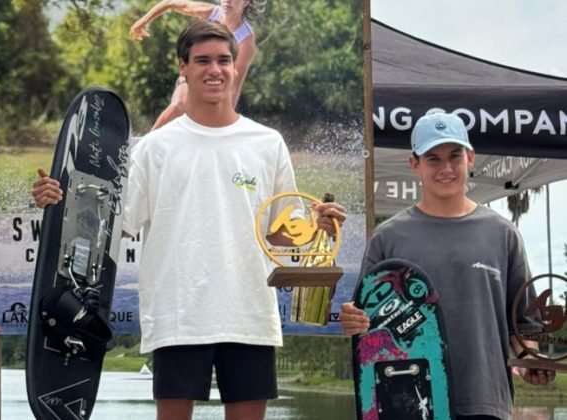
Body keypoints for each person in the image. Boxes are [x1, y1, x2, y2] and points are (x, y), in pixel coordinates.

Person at [33, 21, 346, 420]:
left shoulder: (267, 143)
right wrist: (56, 202)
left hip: (248, 314)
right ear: (183, 67)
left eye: (223, 60)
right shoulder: (154, 148)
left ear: (235, 66)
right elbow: (111, 226)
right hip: (177, 314)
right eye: (202, 61)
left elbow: (281, 233)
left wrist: (318, 227)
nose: (214, 70)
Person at [339, 112, 555, 420]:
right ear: (414, 164)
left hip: (484, 401)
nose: (446, 168)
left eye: (455, 156)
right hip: (408, 402)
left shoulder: (503, 234)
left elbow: (524, 325)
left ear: (470, 158)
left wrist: (528, 357)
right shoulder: (387, 238)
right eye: (433, 159)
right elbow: (365, 323)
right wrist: (352, 319)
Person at [129, 0, 266, 130]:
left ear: (246, 2)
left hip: (215, 86)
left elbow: (234, 86)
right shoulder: (213, 13)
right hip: (193, 75)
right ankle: (145, 144)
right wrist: (143, 22)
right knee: (179, 106)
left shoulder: (245, 40)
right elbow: (169, 3)